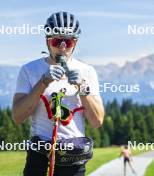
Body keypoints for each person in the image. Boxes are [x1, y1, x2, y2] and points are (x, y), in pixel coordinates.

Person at [12, 11, 104, 176]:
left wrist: (83, 88)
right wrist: (43, 82)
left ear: (75, 43)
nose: (62, 47)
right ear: (48, 41)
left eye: (67, 42)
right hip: (39, 156)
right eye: (57, 41)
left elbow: (97, 121)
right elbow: (18, 117)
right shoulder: (29, 70)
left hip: (73, 157)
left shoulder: (87, 71)